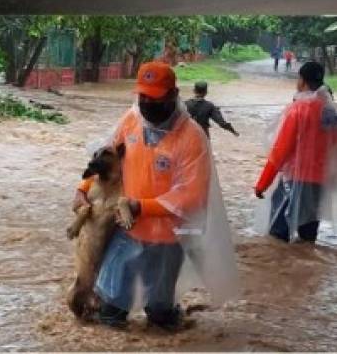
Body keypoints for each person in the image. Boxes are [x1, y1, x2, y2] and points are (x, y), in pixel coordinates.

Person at [73, 62, 237, 329]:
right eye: (143, 96)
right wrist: (83, 190)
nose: (147, 103)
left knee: (160, 317)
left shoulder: (192, 138)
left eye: (155, 97)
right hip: (126, 232)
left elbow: (192, 195)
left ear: (173, 95)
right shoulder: (131, 120)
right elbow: (106, 162)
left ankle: (168, 313)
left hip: (167, 239)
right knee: (108, 312)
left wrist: (141, 207)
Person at [254, 61, 337, 243]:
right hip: (320, 183)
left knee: (278, 236)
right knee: (308, 238)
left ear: (302, 81)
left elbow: (280, 150)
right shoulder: (331, 111)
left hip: (293, 182)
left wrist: (262, 184)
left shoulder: (298, 109)